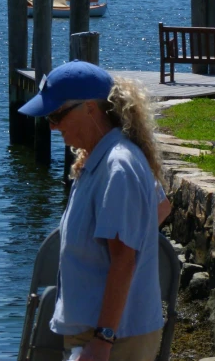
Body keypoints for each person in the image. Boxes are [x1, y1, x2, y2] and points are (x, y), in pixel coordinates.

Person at [18, 60, 164, 361]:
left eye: (57, 114)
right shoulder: (99, 159)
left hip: (114, 337)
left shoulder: (118, 166)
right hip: (98, 331)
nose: (52, 125)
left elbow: (123, 258)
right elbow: (160, 206)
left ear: (89, 108)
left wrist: (104, 338)